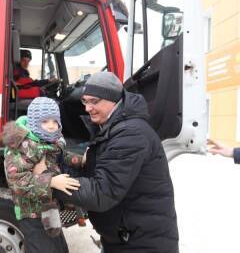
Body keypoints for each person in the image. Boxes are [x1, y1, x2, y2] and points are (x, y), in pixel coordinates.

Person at [54, 71, 179, 253]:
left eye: (94, 101)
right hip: (125, 237)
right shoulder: (112, 127)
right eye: (85, 101)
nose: (87, 108)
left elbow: (102, 192)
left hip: (142, 244)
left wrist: (49, 183)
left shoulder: (130, 134)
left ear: (113, 99)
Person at [1, 97, 84, 253]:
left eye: (55, 121)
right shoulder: (22, 146)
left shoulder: (49, 141)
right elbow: (18, 182)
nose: (51, 126)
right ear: (34, 122)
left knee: (58, 248)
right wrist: (51, 181)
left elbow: (61, 156)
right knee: (41, 248)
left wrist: (80, 160)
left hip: (49, 207)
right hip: (31, 213)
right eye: (45, 121)